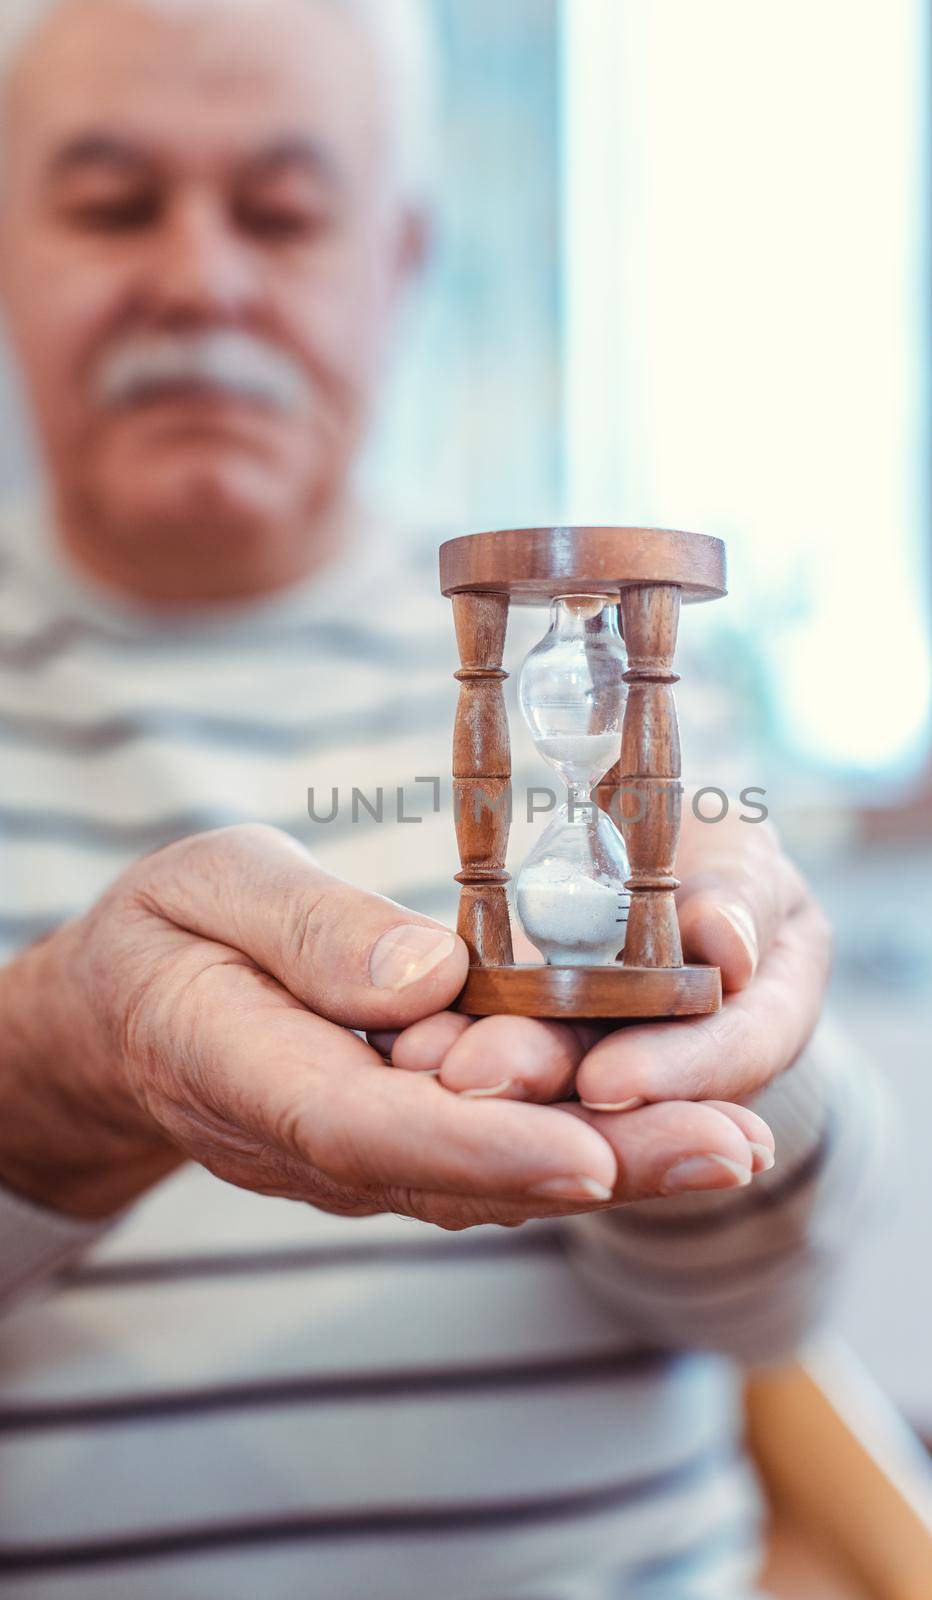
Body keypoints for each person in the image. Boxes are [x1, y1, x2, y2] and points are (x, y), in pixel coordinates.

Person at [0, 2, 886, 1596]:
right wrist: (43, 1094)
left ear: (400, 258)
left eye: (282, 211)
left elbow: (768, 1313)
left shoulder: (599, 704)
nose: (199, 278)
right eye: (112, 203)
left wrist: (748, 1059)